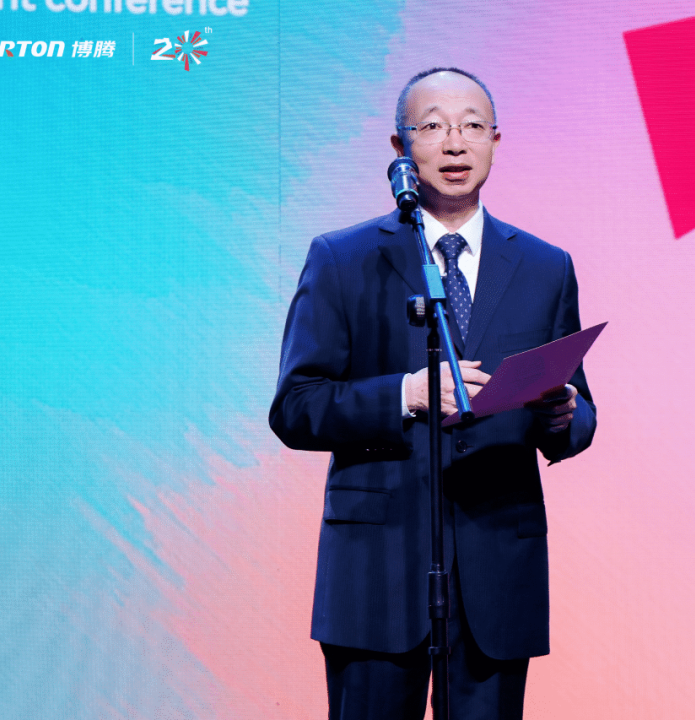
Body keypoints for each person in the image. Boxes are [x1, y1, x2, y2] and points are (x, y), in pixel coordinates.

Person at [269, 67, 597, 720]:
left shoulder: (545, 266)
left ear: (495, 142)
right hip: (377, 573)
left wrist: (563, 414)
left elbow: (580, 415)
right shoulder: (342, 258)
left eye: (472, 126)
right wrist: (407, 394)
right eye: (433, 126)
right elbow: (296, 406)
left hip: (497, 572)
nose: (454, 143)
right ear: (400, 146)